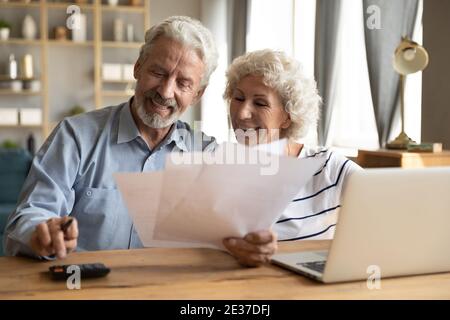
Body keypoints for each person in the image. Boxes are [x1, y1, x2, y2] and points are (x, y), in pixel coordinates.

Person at [3, 16, 219, 259]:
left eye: (183, 83)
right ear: (138, 67)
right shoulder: (75, 137)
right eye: (158, 72)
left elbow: (231, 227)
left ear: (198, 94)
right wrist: (40, 233)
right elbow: (30, 215)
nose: (166, 91)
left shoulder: (206, 154)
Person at [221, 49, 362, 267]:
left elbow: (388, 206)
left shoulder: (327, 167)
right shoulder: (219, 169)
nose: (241, 114)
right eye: (238, 98)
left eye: (260, 103)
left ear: (288, 117)